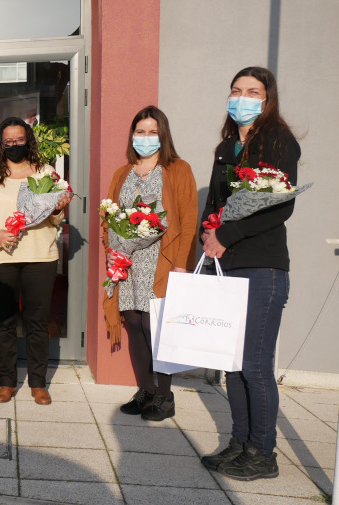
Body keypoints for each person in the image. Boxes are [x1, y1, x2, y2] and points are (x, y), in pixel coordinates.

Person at [198, 67, 300, 481]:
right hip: (227, 266)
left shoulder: (278, 142)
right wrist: (209, 232)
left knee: (255, 365)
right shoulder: (226, 148)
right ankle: (239, 444)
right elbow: (215, 204)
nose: (243, 97)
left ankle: (264, 452)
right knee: (232, 364)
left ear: (267, 98)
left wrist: (229, 231)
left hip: (263, 266)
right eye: (237, 90)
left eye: (253, 91)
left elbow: (281, 204)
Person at [102, 107, 197, 421]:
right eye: (140, 132)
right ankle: (146, 390)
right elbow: (110, 218)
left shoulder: (177, 169)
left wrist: (182, 264)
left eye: (152, 132)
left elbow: (186, 221)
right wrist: (111, 250)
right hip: (128, 262)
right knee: (133, 323)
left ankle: (166, 397)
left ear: (163, 135)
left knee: (155, 327)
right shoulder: (122, 173)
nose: (145, 138)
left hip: (162, 261)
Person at [0, 117, 73, 406]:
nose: (14, 145)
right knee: (4, 322)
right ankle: (7, 382)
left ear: (28, 140)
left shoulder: (47, 173)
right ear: (0, 145)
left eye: (19, 140)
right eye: (8, 141)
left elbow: (55, 218)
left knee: (37, 322)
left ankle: (38, 383)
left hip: (40, 257)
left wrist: (58, 209)